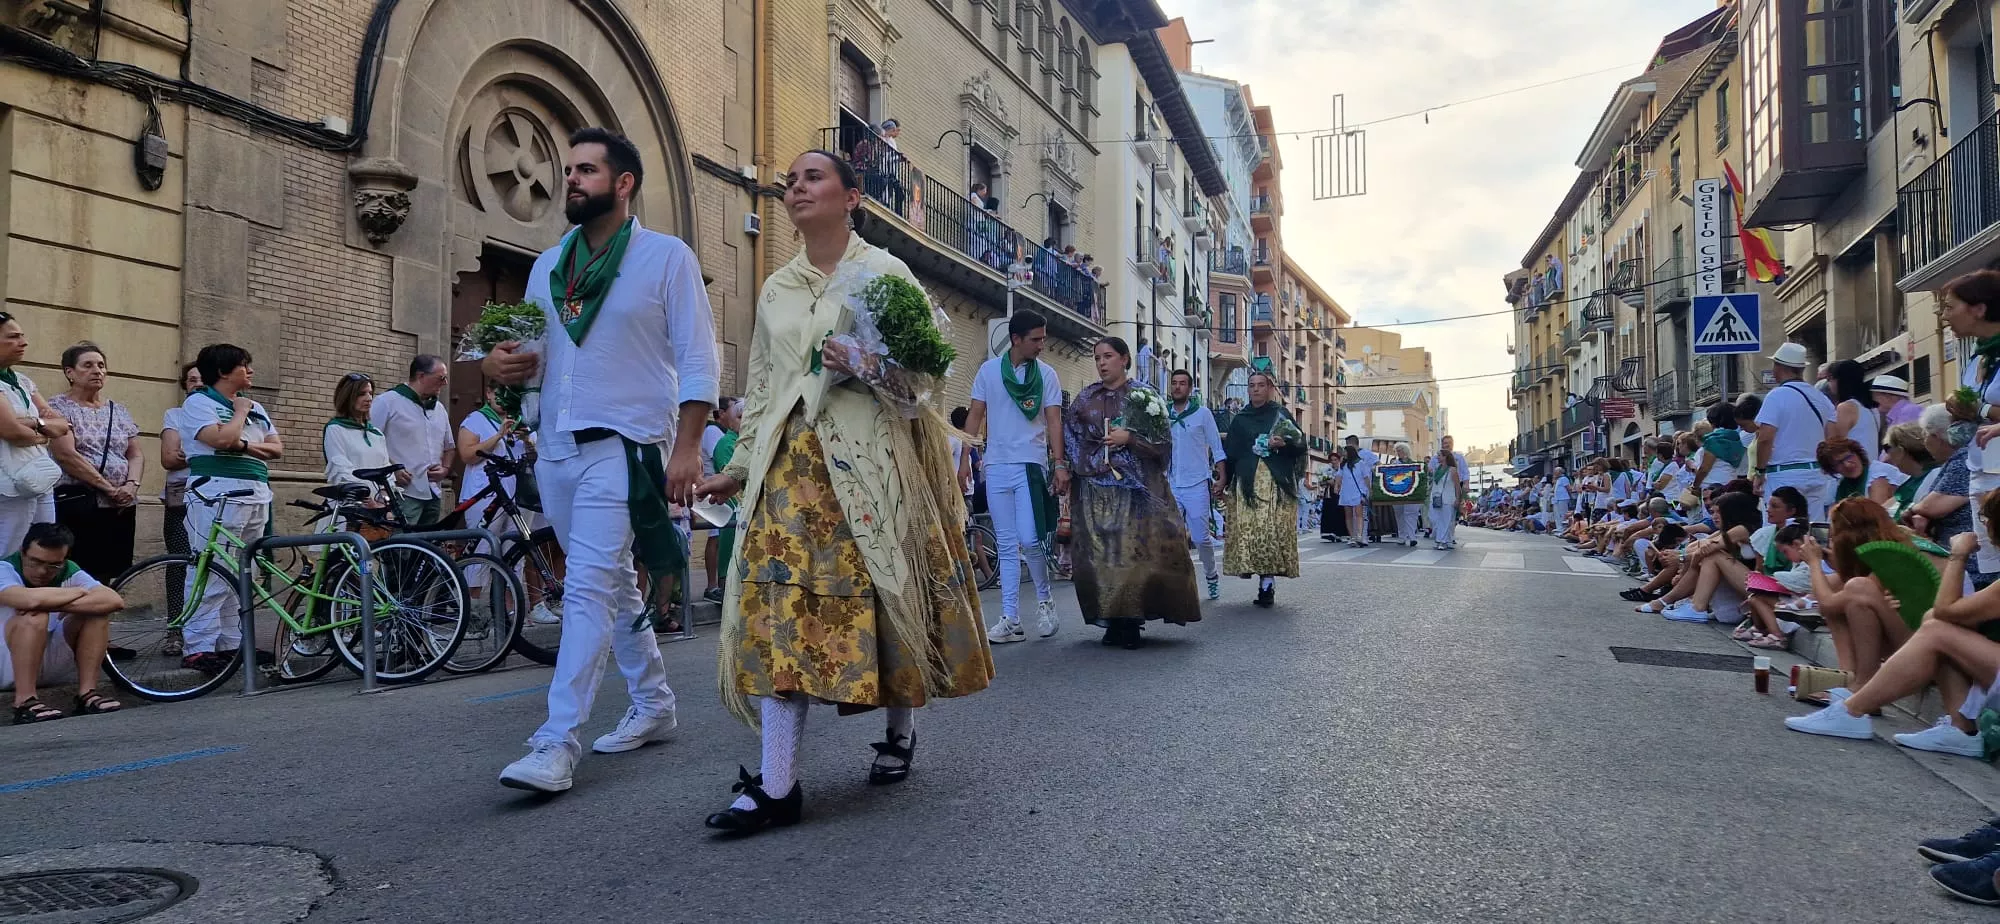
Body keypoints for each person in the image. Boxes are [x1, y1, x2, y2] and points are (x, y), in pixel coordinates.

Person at [694, 149, 990, 834]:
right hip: (789, 472)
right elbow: (762, 387)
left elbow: (926, 382)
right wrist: (739, 467)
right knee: (781, 609)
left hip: (869, 467)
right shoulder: (777, 287)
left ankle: (899, 729)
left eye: (813, 177)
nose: (796, 188)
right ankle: (778, 785)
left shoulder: (885, 273)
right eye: (790, 181)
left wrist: (869, 363)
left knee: (890, 595)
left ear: (851, 197)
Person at [483, 127, 720, 794]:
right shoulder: (547, 267)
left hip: (624, 446)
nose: (571, 179)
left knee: (585, 585)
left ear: (623, 183)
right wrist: (497, 364)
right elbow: (529, 356)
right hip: (555, 447)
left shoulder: (666, 258)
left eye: (586, 170)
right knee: (612, 581)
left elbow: (699, 358)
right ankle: (654, 702)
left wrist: (687, 447)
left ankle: (557, 740)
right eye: (568, 170)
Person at [1064, 340, 1200, 648]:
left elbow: (1163, 443)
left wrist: (1131, 439)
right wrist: (1082, 464)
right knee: (1103, 557)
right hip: (1096, 491)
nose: (1102, 363)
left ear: (1125, 359)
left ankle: (1131, 619)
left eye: (1108, 356)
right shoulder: (1085, 399)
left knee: (1132, 556)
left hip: (1136, 491)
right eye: (1097, 358)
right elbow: (1071, 438)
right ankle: (1112, 618)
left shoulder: (1144, 396)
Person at [179, 343, 282, 675]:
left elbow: (276, 448)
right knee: (211, 568)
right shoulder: (199, 402)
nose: (250, 371)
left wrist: (242, 444)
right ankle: (199, 646)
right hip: (216, 492)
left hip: (256, 493)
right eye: (243, 365)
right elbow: (220, 440)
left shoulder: (257, 406)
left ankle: (232, 643)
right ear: (223, 371)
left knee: (242, 570)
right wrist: (238, 415)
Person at [966, 309, 1067, 643]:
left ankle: (1045, 602)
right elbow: (975, 415)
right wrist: (964, 459)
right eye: (1036, 339)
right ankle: (1010, 619)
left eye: (1043, 338)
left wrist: (1059, 463)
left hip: (1030, 464)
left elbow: (1054, 420)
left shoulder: (1047, 375)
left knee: (1030, 539)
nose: (1042, 345)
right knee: (1007, 545)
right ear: (1016, 339)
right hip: (996, 465)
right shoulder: (989, 371)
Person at [3, 523, 126, 723]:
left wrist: (50, 605)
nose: (42, 571)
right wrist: (78, 592)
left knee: (96, 614)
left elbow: (113, 600)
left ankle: (87, 694)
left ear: (64, 560)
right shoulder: (5, 569)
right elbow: (26, 600)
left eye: (53, 565)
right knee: (34, 616)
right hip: (6, 665)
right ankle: (24, 701)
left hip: (50, 661)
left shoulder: (68, 570)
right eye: (35, 561)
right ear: (22, 552)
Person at [47, 342, 142, 582]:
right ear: (70, 372)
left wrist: (131, 485)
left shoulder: (118, 410)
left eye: (101, 365)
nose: (97, 371)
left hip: (120, 506)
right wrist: (108, 488)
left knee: (111, 572)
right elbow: (66, 455)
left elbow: (135, 453)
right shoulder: (58, 407)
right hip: (81, 503)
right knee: (78, 571)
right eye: (87, 365)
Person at [1222, 370, 1304, 607]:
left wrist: (1284, 444)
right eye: (1252, 385)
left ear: (1269, 389)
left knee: (1269, 531)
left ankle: (1267, 582)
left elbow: (1300, 445)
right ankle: (1259, 574)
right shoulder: (1240, 420)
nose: (1256, 389)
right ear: (1248, 390)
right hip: (1247, 483)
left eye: (1261, 385)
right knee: (1252, 532)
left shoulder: (1281, 414)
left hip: (1275, 483)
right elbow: (1231, 454)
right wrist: (1224, 482)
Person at [1942, 270, 2000, 594]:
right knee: (1990, 569)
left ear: (1978, 308)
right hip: (1982, 470)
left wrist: (1978, 409)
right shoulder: (1979, 356)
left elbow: (1981, 408)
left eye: (1950, 307)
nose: (1945, 316)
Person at [0, 314, 69, 553]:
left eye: (22, 335)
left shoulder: (22, 381)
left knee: (46, 544)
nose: (23, 342)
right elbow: (12, 432)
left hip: (38, 477)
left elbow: (62, 424)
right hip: (8, 484)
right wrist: (43, 431)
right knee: (9, 549)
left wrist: (32, 424)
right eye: (13, 337)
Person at [1753, 343, 1837, 522]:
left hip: (1783, 475)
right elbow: (1833, 437)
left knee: (1779, 528)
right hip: (1816, 473)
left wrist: (1759, 471)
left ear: (1779, 367)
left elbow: (1765, 438)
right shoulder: (1821, 398)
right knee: (1813, 528)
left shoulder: (1776, 396)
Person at [1165, 369, 1226, 600]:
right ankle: (1177, 583)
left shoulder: (1202, 414)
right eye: (1174, 383)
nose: (1177, 387)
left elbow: (1217, 447)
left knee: (1200, 538)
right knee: (1171, 537)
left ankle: (1211, 575)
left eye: (1182, 383)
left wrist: (1221, 478)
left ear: (1190, 389)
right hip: (1172, 483)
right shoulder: (1163, 414)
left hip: (1197, 483)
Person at [371, 354, 453, 526]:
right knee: (400, 541)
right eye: (441, 378)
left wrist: (445, 469)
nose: (445, 383)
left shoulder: (439, 409)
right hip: (403, 492)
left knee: (427, 542)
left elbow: (449, 446)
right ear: (421, 376)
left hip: (433, 492)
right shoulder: (387, 402)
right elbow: (369, 442)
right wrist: (391, 469)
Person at [158, 361, 201, 657]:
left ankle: (205, 630)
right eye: (192, 379)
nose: (198, 384)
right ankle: (175, 629)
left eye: (203, 379)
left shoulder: (220, 413)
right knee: (179, 563)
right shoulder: (175, 415)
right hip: (180, 499)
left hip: (215, 498)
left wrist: (191, 451)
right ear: (184, 384)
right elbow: (170, 458)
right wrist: (211, 449)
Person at [323, 373, 391, 493]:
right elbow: (341, 469)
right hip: (352, 499)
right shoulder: (335, 429)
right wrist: (366, 497)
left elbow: (386, 469)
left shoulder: (376, 434)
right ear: (348, 397)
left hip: (380, 500)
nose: (369, 398)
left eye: (370, 393)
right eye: (361, 394)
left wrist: (384, 495)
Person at [1429, 436, 1469, 550]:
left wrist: (1458, 499)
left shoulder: (1453, 468)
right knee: (1434, 519)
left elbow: (1458, 485)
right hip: (1436, 497)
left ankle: (1443, 541)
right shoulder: (1437, 467)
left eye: (1439, 456)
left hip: (1448, 497)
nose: (1437, 457)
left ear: (1445, 457)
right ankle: (1444, 539)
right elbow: (1430, 473)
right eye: (1445, 443)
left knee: (1447, 520)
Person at [1390, 442, 1423, 547]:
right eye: (1397, 451)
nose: (1398, 453)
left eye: (1400, 450)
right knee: (1399, 515)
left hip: (1411, 493)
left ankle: (1412, 537)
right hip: (1397, 492)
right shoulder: (1394, 464)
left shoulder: (1414, 464)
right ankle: (1402, 537)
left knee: (1411, 514)